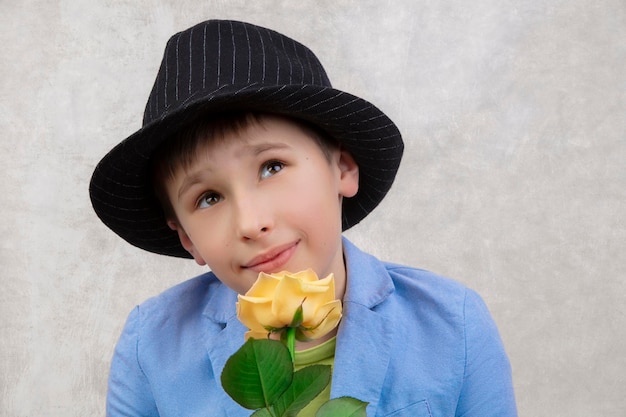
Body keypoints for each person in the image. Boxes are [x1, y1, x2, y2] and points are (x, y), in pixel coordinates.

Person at [90, 19, 517, 417]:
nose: (250, 223)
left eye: (272, 167)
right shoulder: (151, 345)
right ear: (187, 238)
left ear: (343, 169)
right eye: (208, 198)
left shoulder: (452, 325)